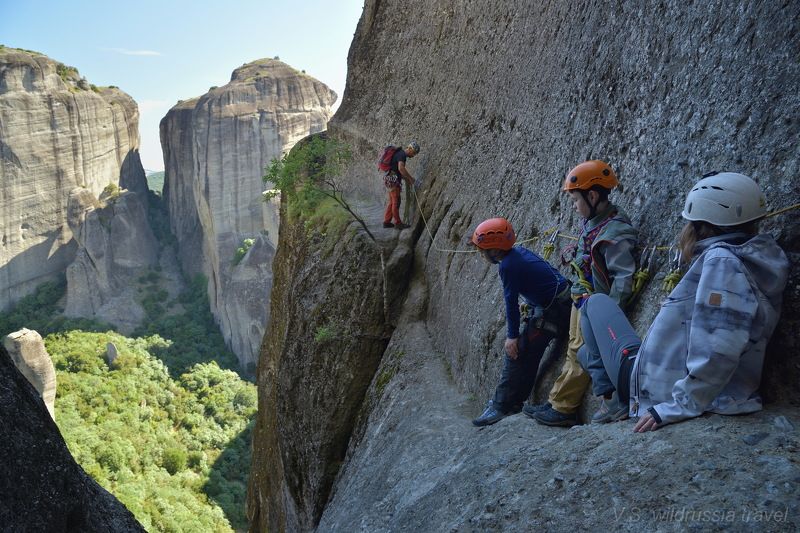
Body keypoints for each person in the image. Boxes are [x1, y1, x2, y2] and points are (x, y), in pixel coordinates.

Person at [576, 172, 788, 431]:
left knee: (594, 303)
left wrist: (680, 404)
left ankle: (613, 400)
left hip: (661, 387)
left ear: (702, 226)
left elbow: (720, 346)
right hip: (670, 376)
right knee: (584, 353)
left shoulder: (721, 262)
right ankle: (613, 395)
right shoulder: (753, 258)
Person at [530, 160, 638, 427]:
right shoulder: (596, 222)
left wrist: (607, 315)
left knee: (581, 351)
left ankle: (564, 407)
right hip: (582, 297)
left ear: (592, 196)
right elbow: (590, 250)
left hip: (592, 303)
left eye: (577, 200)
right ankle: (557, 400)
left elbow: (623, 278)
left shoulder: (616, 231)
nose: (575, 207)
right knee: (574, 350)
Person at [470, 218, 573, 427]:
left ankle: (500, 406)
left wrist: (512, 336)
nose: (481, 254)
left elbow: (510, 303)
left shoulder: (508, 266)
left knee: (517, 351)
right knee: (527, 351)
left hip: (556, 310)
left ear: (494, 249)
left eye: (483, 250)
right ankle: (514, 402)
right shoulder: (518, 254)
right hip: (559, 303)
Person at [383, 141, 420, 230]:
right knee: (396, 202)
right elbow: (401, 168)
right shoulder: (402, 155)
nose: (413, 155)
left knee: (392, 202)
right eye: (414, 153)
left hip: (389, 179)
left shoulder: (399, 154)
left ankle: (386, 222)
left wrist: (407, 179)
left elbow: (398, 170)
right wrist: (411, 179)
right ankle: (398, 223)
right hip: (393, 180)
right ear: (410, 148)